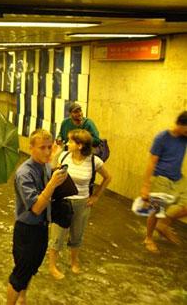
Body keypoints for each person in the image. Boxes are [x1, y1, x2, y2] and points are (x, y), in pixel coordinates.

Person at [6, 129, 67, 305]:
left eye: (50, 147)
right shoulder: (24, 173)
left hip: (41, 227)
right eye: (42, 148)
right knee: (19, 274)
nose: (47, 152)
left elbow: (49, 196)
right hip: (27, 230)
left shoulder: (46, 166)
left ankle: (22, 298)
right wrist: (52, 184)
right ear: (31, 147)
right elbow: (36, 207)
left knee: (31, 268)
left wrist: (61, 183)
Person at [48, 129, 111, 279]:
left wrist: (96, 196)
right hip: (63, 201)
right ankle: (52, 265)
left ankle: (74, 261)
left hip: (83, 203)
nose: (67, 143)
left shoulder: (93, 161)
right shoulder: (64, 156)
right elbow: (49, 172)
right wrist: (55, 155)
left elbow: (108, 178)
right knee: (57, 235)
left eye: (70, 141)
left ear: (80, 145)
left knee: (77, 235)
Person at [141, 111, 187, 253]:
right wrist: (146, 185)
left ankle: (163, 224)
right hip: (160, 177)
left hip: (177, 177)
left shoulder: (185, 138)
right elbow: (151, 162)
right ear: (181, 124)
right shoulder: (162, 137)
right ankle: (148, 238)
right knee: (156, 210)